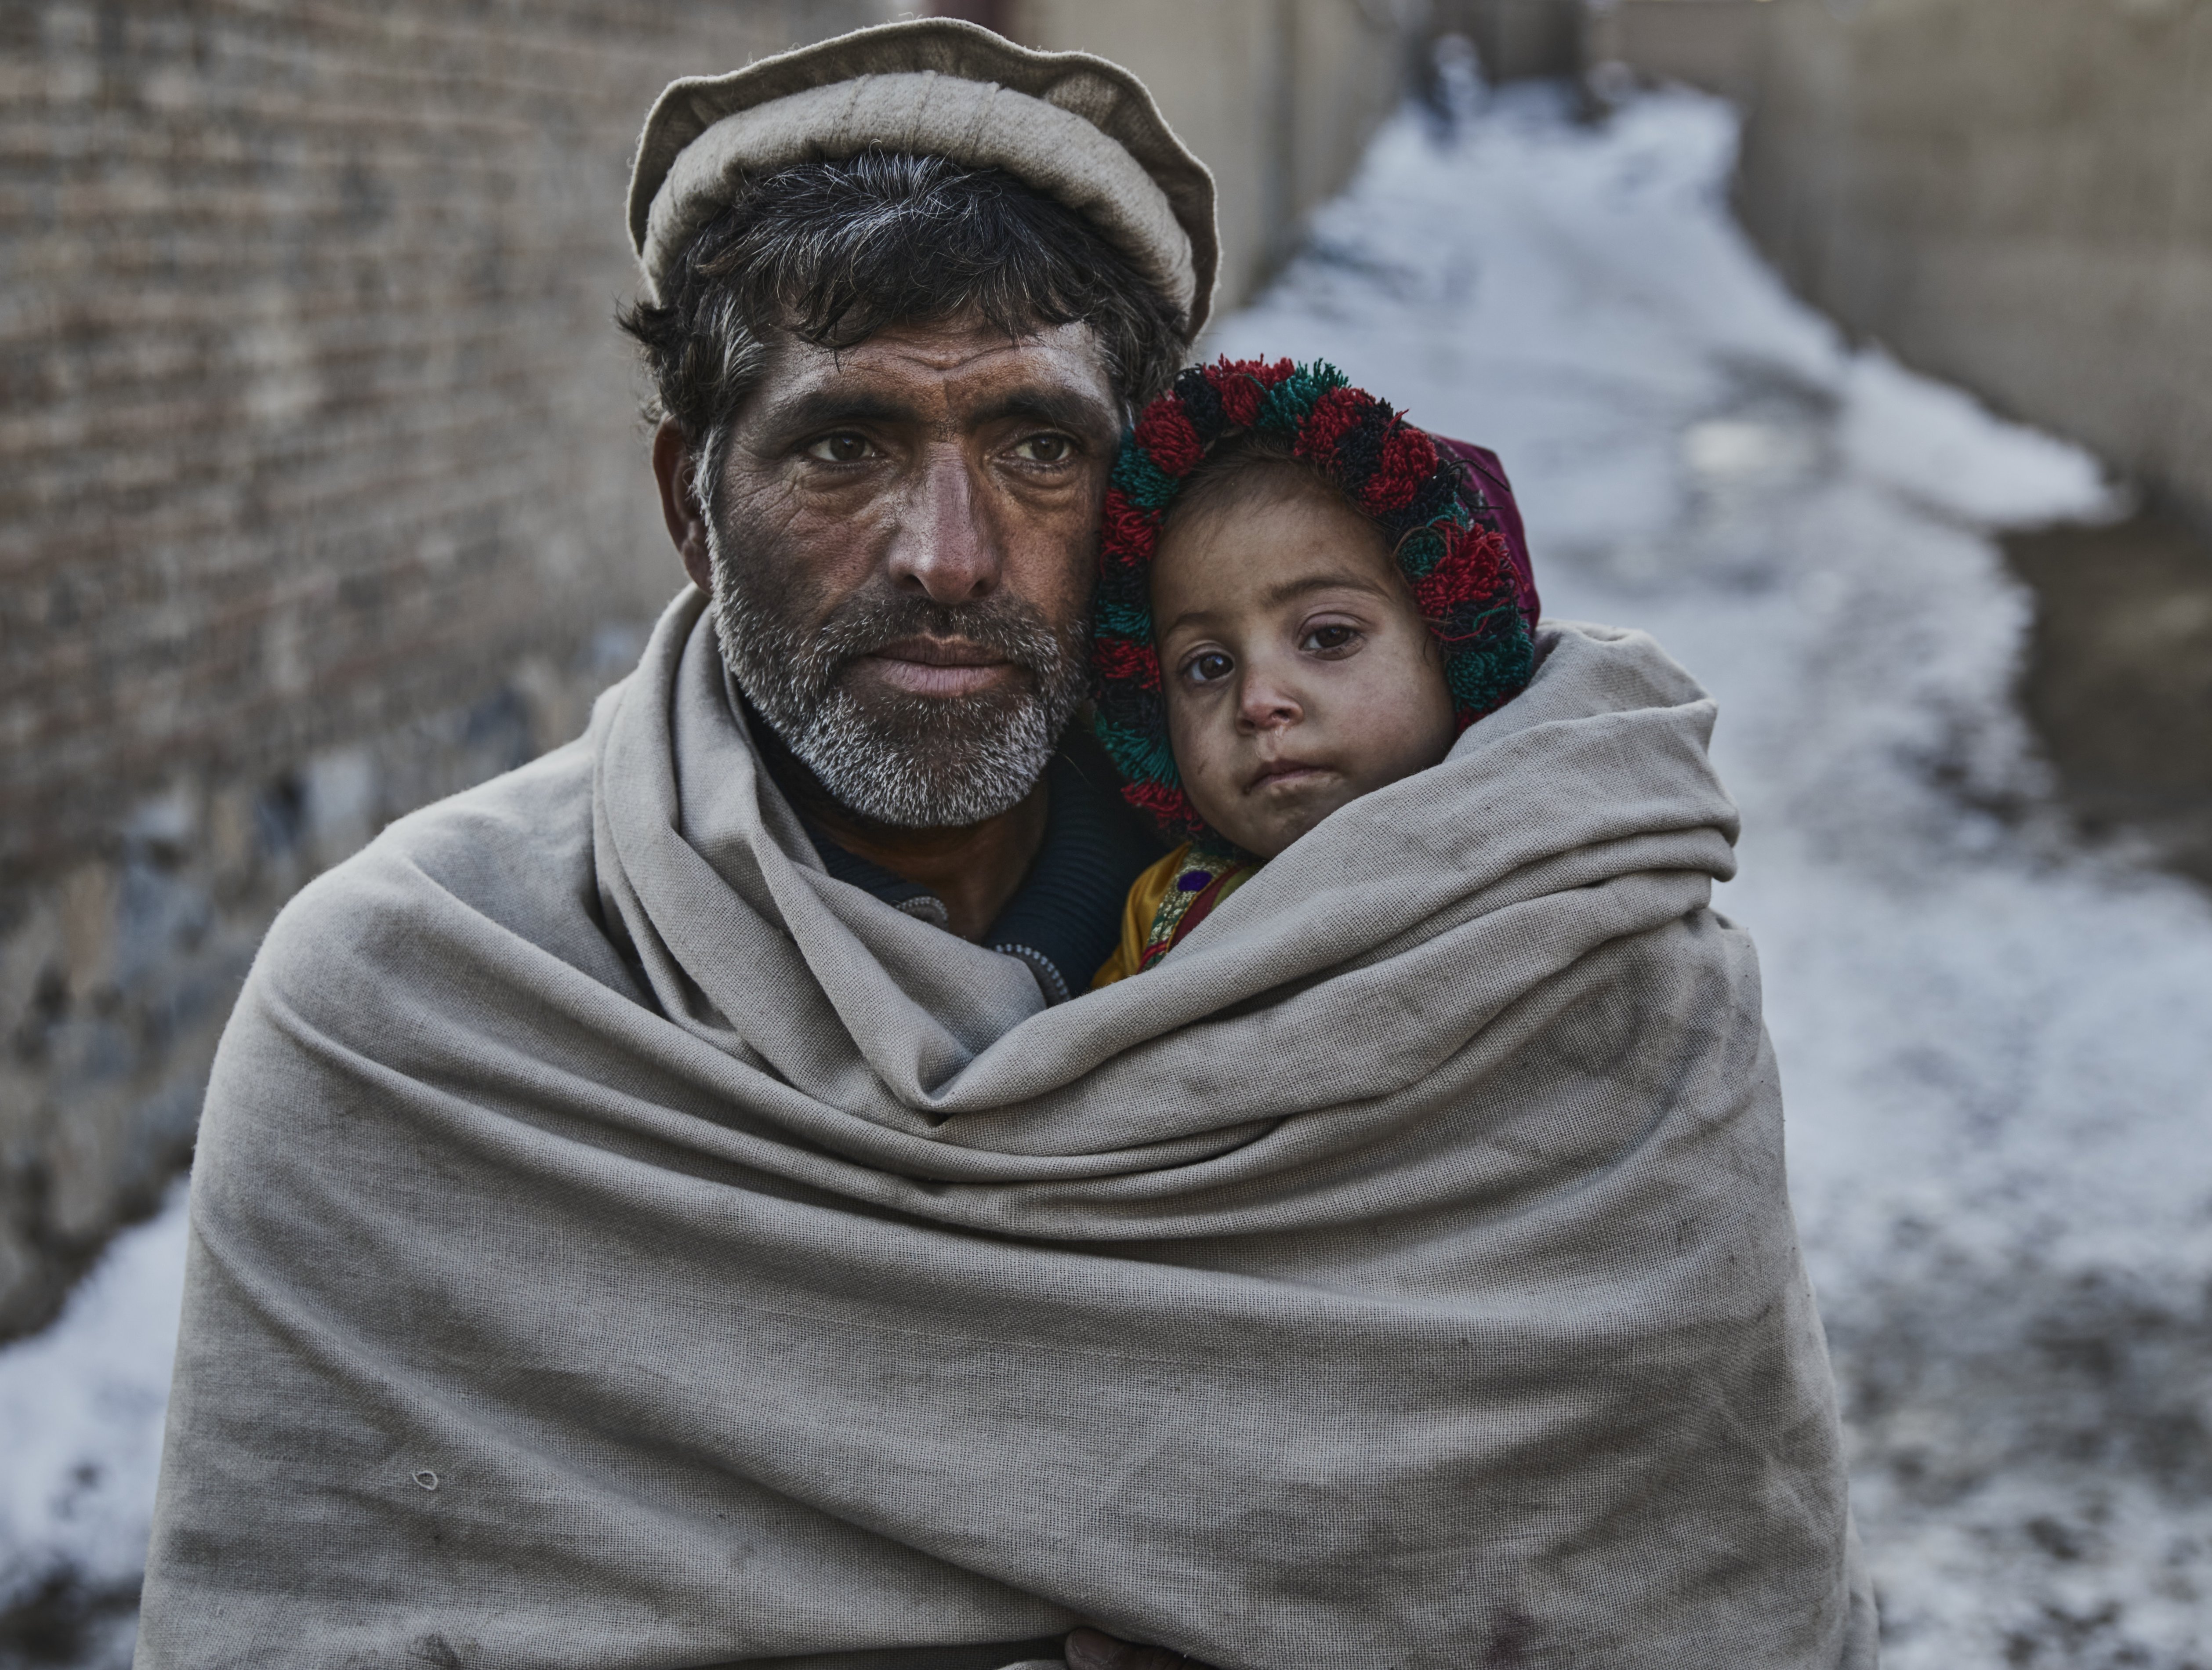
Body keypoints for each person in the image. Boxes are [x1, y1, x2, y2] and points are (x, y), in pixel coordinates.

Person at [134, 18, 1876, 1670]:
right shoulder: (422, 1018)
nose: (947, 552)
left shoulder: (1536, 979)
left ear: (1133, 499)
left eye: (1037, 442)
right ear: (691, 500)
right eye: (844, 441)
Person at [1091, 358, 1536, 985]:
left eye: (1328, 637)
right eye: (1208, 665)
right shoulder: (1165, 912)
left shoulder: (1552, 853)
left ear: (1459, 649)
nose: (1257, 701)